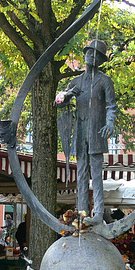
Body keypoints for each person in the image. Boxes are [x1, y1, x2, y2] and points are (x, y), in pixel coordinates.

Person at [56, 39, 116, 226]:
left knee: (96, 174)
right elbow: (60, 103)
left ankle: (98, 212)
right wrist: (65, 96)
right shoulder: (75, 82)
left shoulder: (105, 81)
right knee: (81, 174)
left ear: (100, 59)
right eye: (88, 52)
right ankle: (81, 213)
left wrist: (110, 123)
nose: (91, 56)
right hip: (80, 132)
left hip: (97, 132)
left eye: (95, 54)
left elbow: (111, 106)